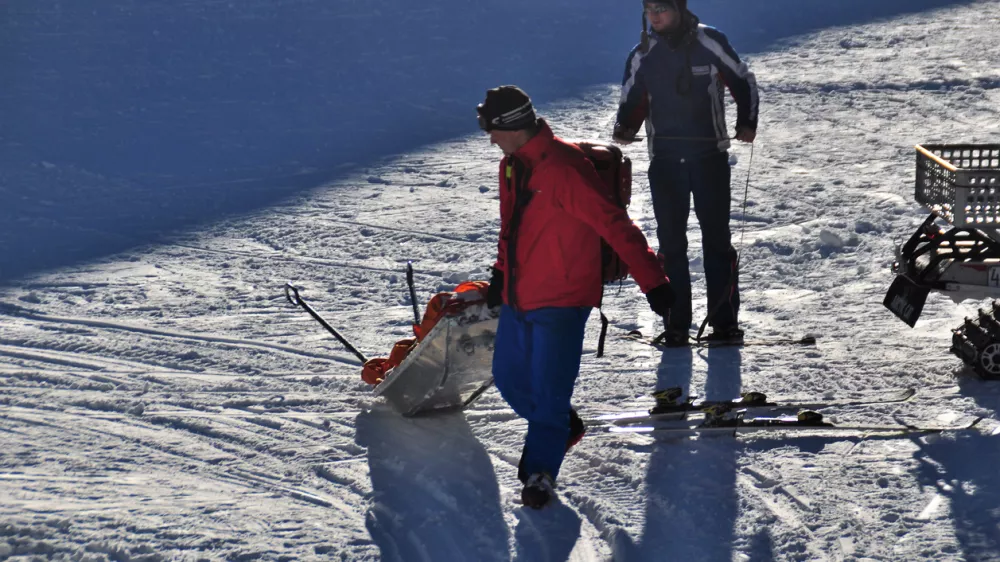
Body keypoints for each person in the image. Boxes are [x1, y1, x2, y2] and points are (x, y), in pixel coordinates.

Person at [477, 85, 675, 509]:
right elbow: (510, 228)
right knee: (510, 379)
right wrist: (499, 273)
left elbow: (614, 223)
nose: (489, 137)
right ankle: (560, 426)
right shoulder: (511, 166)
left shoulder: (565, 169)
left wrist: (653, 281)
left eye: (491, 128)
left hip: (564, 299)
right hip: (518, 293)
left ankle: (540, 474)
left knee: (550, 392)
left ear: (511, 126)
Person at [613, 0, 758, 345]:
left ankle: (725, 324)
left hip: (709, 158)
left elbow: (743, 80)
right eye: (649, 10)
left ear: (679, 8)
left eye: (661, 9)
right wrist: (625, 127)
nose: (655, 17)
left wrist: (747, 122)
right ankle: (675, 324)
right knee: (671, 245)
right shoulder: (642, 53)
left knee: (717, 243)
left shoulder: (710, 41)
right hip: (664, 162)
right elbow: (632, 98)